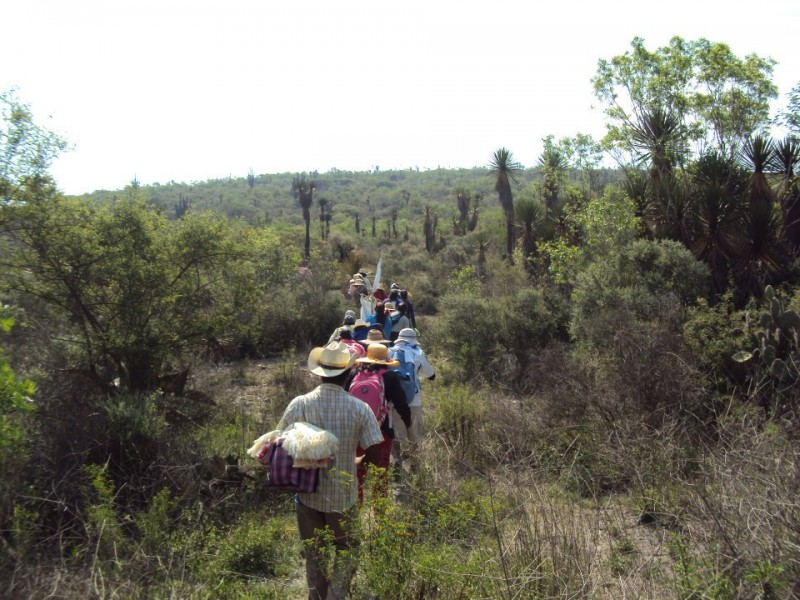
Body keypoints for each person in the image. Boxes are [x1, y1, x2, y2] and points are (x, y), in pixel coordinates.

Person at [276, 342, 383, 600]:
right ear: (348, 374)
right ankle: (336, 596)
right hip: (343, 498)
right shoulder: (360, 409)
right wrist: (356, 463)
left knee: (315, 554)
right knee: (347, 550)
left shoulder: (299, 404)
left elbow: (279, 444)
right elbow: (377, 456)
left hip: (307, 496)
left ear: (319, 372)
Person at [346, 343, 412, 503]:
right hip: (381, 430)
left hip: (356, 431)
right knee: (380, 473)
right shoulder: (389, 377)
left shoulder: (354, 374)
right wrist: (408, 423)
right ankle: (379, 514)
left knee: (357, 473)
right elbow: (401, 403)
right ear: (385, 360)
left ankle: (355, 511)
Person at [388, 328, 435, 473]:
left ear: (399, 338)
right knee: (415, 433)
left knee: (396, 433)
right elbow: (431, 375)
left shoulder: (389, 352)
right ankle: (415, 464)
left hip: (393, 401)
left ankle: (397, 461)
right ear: (414, 339)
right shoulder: (418, 353)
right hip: (414, 400)